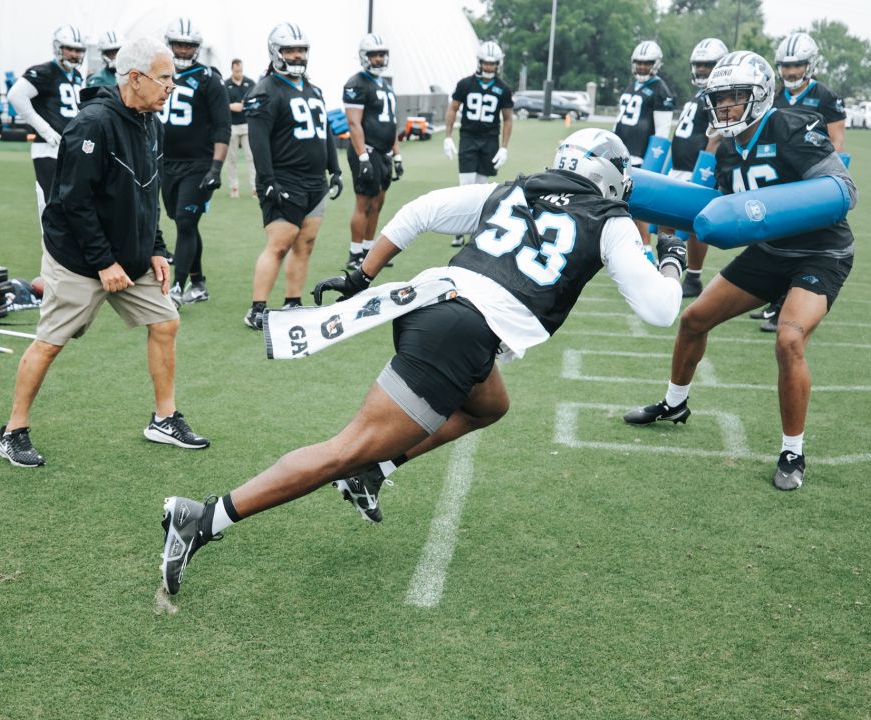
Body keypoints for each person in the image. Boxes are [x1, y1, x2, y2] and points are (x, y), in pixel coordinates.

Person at [158, 128, 686, 595]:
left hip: (430, 301)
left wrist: (362, 274)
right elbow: (661, 310)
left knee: (490, 405)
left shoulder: (511, 188)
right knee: (344, 449)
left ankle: (375, 471)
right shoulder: (610, 219)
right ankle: (203, 518)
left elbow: (422, 210)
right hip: (460, 331)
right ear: (612, 178)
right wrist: (670, 259)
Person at [622, 51, 858, 492]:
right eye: (720, 98)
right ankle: (675, 405)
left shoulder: (793, 126)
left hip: (819, 252)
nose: (725, 107)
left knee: (789, 339)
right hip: (769, 252)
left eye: (734, 98)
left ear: (761, 95)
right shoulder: (727, 146)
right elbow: (706, 204)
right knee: (694, 319)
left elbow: (843, 188)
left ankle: (793, 450)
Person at [0, 37, 210, 468]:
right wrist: (103, 263)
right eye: (166, 78)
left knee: (166, 321)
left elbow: (147, 195)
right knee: (50, 343)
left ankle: (164, 419)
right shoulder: (91, 125)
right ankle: (12, 431)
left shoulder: (152, 122)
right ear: (135, 78)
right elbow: (72, 203)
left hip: (129, 256)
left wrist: (156, 249)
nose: (172, 86)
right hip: (77, 259)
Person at [242, 23, 344, 330]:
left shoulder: (314, 88)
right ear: (276, 52)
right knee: (280, 243)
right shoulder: (264, 91)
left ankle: (293, 302)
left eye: (301, 50)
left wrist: (335, 169)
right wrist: (267, 181)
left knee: (306, 243)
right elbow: (258, 142)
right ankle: (257, 309)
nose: (297, 55)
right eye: (290, 50)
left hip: (315, 182)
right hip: (285, 180)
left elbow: (324, 131)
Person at [758, 32, 848, 331]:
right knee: (775, 239)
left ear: (810, 65)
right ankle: (774, 301)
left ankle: (787, 305)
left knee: (801, 240)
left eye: (797, 65)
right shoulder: (775, 94)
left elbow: (837, 143)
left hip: (808, 179)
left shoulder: (825, 96)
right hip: (777, 176)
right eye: (785, 66)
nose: (790, 72)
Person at [159, 17, 231, 307]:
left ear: (197, 48)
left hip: (198, 164)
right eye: (179, 44)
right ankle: (199, 283)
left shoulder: (208, 79)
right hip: (166, 163)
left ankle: (177, 287)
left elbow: (222, 125)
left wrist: (216, 167)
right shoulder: (159, 73)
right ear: (169, 44)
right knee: (182, 221)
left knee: (187, 222)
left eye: (189, 46)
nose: (184, 51)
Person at [5, 25, 85, 229]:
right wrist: (45, 129)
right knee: (52, 204)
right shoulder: (44, 72)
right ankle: (51, 251)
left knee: (74, 203)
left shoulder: (76, 76)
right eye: (70, 49)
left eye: (78, 50)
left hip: (71, 147)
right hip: (48, 149)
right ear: (58, 47)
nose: (75, 54)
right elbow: (16, 96)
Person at [668, 37, 729, 299]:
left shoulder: (718, 96)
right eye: (699, 64)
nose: (702, 69)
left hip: (697, 166)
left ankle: (692, 277)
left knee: (694, 225)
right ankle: (667, 271)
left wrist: (705, 169)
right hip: (679, 165)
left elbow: (716, 136)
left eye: (708, 64)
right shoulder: (699, 94)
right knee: (665, 222)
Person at [442, 40, 514, 247]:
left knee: (483, 188)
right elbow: (453, 108)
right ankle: (457, 229)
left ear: (498, 64)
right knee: (465, 186)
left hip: (490, 140)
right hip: (468, 138)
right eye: (486, 63)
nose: (489, 67)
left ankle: (476, 229)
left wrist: (504, 147)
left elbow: (508, 118)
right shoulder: (466, 84)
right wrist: (447, 136)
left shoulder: (503, 89)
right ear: (479, 62)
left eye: (492, 63)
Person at [343, 33, 402, 270]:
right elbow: (354, 123)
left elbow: (391, 124)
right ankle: (354, 253)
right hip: (366, 151)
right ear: (364, 57)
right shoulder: (356, 84)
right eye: (373, 54)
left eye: (381, 54)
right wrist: (363, 157)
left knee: (378, 202)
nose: (378, 58)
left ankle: (368, 249)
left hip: (384, 152)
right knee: (364, 203)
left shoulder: (385, 84)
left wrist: (397, 155)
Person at [613, 40, 675, 249]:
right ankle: (631, 245)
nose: (641, 67)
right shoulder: (632, 84)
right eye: (638, 62)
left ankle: (646, 249)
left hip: (640, 154)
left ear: (655, 64)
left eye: (646, 63)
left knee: (638, 205)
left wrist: (652, 163)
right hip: (623, 150)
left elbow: (662, 132)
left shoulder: (660, 88)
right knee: (623, 203)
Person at [223, 58, 257, 199]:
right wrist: (233, 106)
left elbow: (255, 101)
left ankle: (255, 187)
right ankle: (234, 187)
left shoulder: (250, 83)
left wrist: (244, 105)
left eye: (241, 70)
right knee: (232, 159)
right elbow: (222, 104)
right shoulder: (225, 84)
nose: (239, 73)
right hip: (232, 127)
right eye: (237, 71)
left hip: (247, 125)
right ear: (232, 70)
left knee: (251, 157)